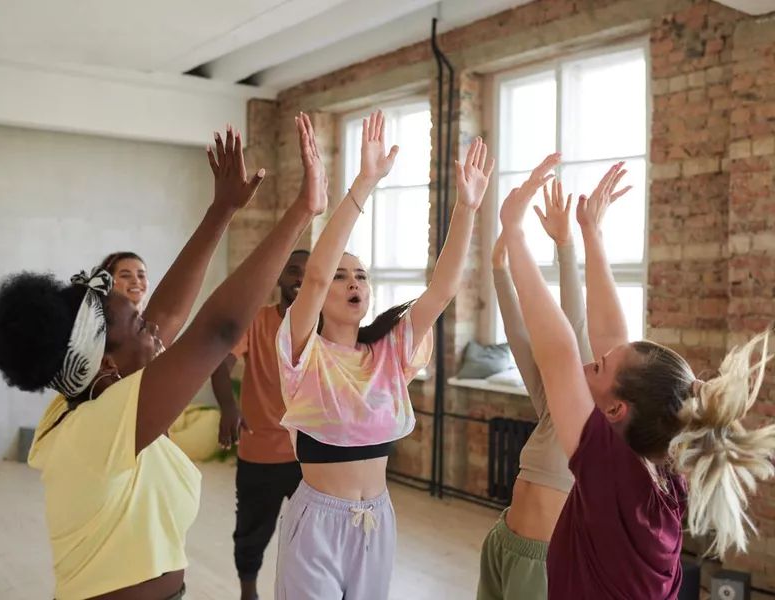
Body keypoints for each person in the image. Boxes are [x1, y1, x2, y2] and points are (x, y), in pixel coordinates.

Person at [0, 115, 326, 600]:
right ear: (105, 365)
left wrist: (221, 210)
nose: (155, 329)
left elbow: (167, 314)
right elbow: (217, 330)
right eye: (139, 327)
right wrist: (302, 212)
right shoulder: (102, 426)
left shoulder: (77, 401)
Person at [498, 155, 775, 599]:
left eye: (599, 367)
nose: (592, 360)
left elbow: (558, 352)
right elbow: (613, 340)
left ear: (615, 410)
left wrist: (513, 233)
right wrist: (591, 233)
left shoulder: (613, 471)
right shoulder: (660, 466)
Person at [273, 110, 494, 600]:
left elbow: (442, 289)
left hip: (377, 519)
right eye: (342, 275)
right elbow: (313, 275)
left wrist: (467, 209)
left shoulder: (390, 352)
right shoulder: (302, 350)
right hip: (317, 522)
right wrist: (364, 184)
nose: (354, 283)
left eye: (363, 276)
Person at [477, 179, 591, 600]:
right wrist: (499, 271)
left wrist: (567, 247)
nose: (588, 362)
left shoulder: (593, 428)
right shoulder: (552, 410)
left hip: (544, 562)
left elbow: (572, 331)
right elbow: (522, 339)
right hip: (502, 542)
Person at [211, 248, 309, 600]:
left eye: (309, 272)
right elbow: (219, 365)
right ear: (280, 278)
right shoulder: (258, 320)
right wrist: (228, 407)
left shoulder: (325, 326)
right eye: (293, 270)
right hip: (260, 454)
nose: (300, 277)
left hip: (310, 459)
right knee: (251, 535)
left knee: (311, 539)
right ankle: (248, 594)